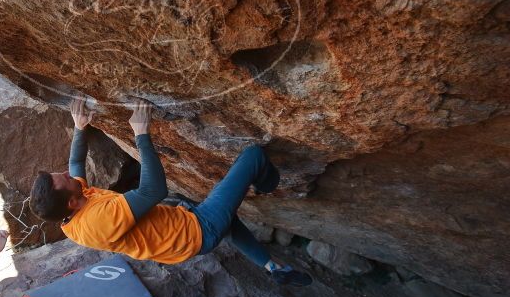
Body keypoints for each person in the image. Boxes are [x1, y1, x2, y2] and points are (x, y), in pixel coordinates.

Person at [30, 98, 312, 287]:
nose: (68, 174)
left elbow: (75, 163)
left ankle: (273, 268)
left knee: (230, 221)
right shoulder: (98, 221)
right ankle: (267, 184)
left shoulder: (71, 210)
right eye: (65, 179)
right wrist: (141, 134)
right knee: (252, 157)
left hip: (183, 230)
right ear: (70, 201)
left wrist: (80, 127)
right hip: (198, 231)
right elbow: (154, 190)